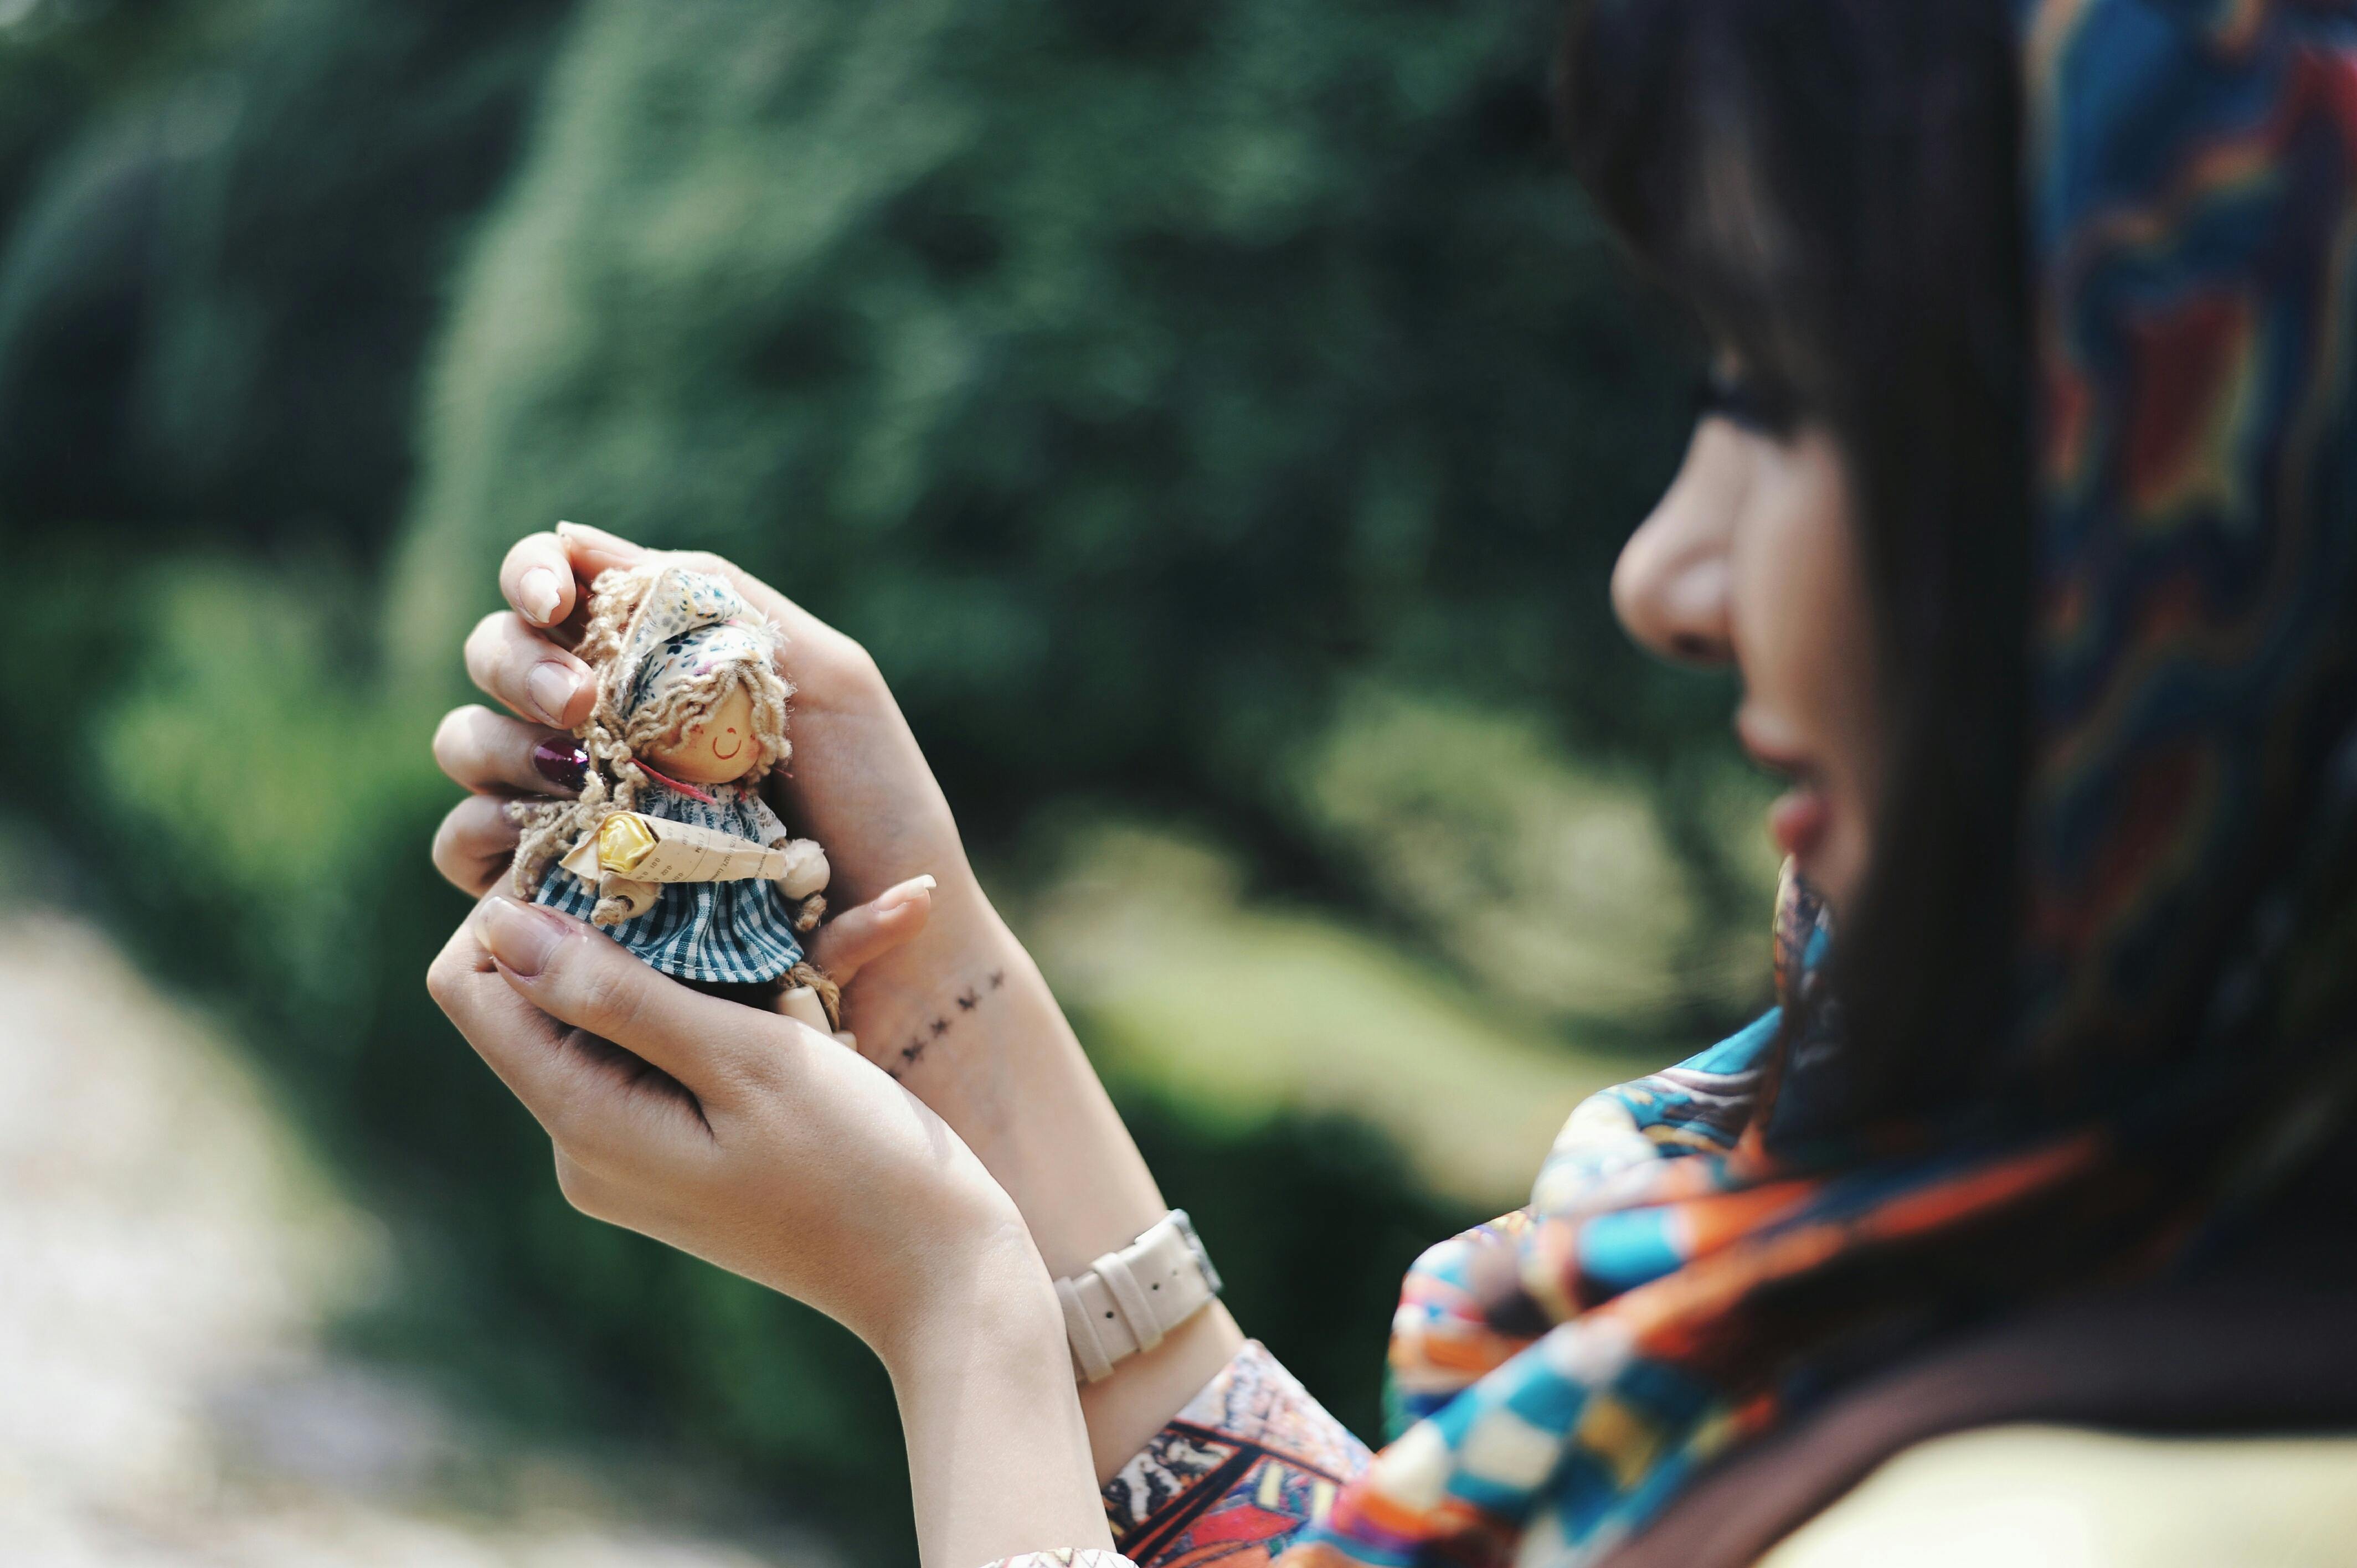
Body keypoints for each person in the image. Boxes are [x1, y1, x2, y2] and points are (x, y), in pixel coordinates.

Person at [423, 0, 2357, 1562]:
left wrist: (958, 1315)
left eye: (1787, 390)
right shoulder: (2071, 1268)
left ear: (2215, 495)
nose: (1666, 572)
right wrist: (940, 1003)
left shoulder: (2069, 1513)